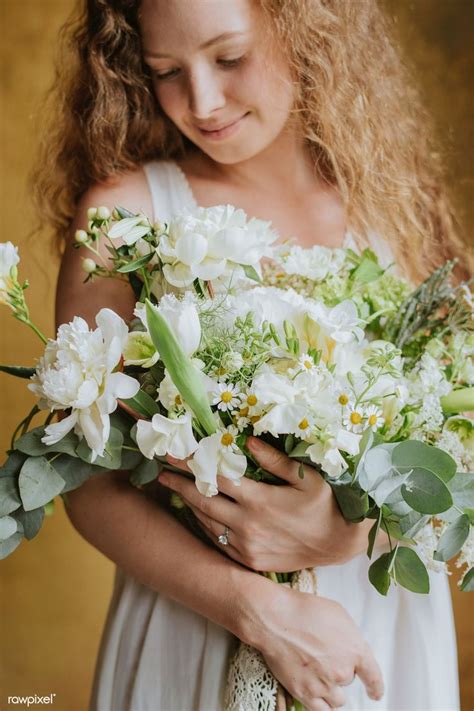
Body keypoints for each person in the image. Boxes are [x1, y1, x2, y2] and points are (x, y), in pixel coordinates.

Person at [30, 0, 465, 709]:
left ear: (307, 31)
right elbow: (86, 483)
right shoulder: (126, 215)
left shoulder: (391, 201)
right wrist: (259, 610)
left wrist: (351, 533)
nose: (200, 102)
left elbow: (458, 433)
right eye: (165, 71)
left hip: (379, 622)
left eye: (229, 58)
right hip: (197, 625)